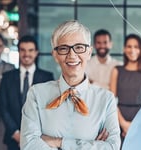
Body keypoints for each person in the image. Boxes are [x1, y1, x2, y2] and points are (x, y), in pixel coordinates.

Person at [20, 20, 121, 150]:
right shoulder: (36, 94)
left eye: (79, 47)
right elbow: (28, 145)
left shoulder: (106, 99)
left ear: (89, 52)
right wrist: (91, 146)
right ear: (55, 55)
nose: (72, 55)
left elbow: (112, 147)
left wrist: (59, 142)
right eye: (64, 48)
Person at [0, 35, 54, 150]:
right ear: (18, 52)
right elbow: (3, 108)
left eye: (30, 50)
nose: (26, 54)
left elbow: (50, 108)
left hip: (40, 138)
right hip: (13, 137)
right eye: (22, 50)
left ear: (36, 52)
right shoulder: (7, 77)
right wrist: (16, 133)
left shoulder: (47, 77)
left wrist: (34, 136)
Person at [109, 33, 141, 143]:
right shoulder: (116, 70)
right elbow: (111, 102)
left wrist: (134, 125)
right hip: (118, 119)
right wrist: (123, 124)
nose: (132, 50)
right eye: (129, 46)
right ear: (124, 49)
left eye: (136, 47)